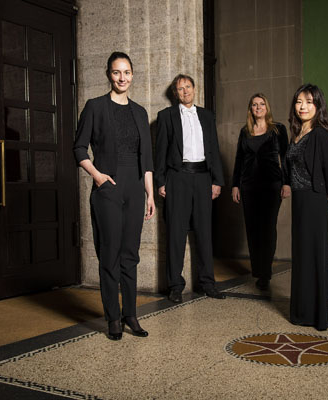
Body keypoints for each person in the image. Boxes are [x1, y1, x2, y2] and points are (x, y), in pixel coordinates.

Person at [73, 52, 155, 340]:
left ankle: (130, 314)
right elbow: (79, 149)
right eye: (117, 72)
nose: (122, 78)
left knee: (130, 255)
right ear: (109, 74)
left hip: (135, 187)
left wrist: (149, 194)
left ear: (133, 75)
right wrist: (97, 176)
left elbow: (146, 159)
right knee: (110, 254)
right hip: (107, 186)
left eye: (127, 72)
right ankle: (113, 319)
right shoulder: (95, 107)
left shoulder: (140, 112)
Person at [155, 74, 226, 303]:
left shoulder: (206, 115)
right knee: (176, 233)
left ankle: (208, 283)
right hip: (177, 178)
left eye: (187, 87)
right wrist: (161, 181)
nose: (184, 91)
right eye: (180, 89)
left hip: (203, 178)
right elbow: (161, 152)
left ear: (194, 89)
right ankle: (175, 285)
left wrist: (217, 181)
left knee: (205, 233)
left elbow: (213, 149)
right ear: (175, 93)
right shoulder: (166, 116)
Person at [284, 83, 328, 331]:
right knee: (301, 255)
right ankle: (301, 312)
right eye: (299, 101)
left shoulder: (321, 134)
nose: (303, 106)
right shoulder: (295, 134)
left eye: (308, 101)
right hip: (299, 200)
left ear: (317, 105)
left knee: (315, 255)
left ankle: (319, 316)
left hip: (314, 200)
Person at [231, 93, 289, 290]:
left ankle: (266, 272)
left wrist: (287, 183)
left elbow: (286, 157)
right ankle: (258, 271)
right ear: (251, 109)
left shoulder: (278, 129)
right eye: (254, 105)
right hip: (248, 186)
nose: (258, 107)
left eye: (261, 104)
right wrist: (235, 185)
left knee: (267, 228)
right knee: (253, 229)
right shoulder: (244, 132)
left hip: (272, 185)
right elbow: (239, 160)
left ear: (267, 107)